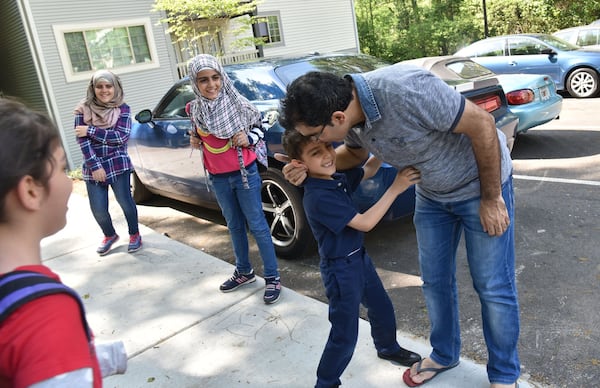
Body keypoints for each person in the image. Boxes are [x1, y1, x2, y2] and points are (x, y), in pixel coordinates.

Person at [277, 67, 520, 388]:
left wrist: (491, 198)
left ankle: (504, 375)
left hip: (480, 188)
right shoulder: (346, 117)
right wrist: (308, 171)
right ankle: (445, 353)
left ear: (337, 118)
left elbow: (483, 125)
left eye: (316, 135)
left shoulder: (406, 91)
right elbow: (354, 153)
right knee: (434, 282)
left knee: (492, 287)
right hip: (432, 195)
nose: (317, 141)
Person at [0, 97, 127, 387]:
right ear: (30, 190)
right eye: (60, 167)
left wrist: (84, 357)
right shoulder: (43, 314)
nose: (69, 181)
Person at [282, 129, 422, 387]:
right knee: (344, 335)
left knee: (381, 308)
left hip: (359, 259)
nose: (327, 155)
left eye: (327, 147)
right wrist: (396, 188)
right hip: (340, 270)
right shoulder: (318, 196)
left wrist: (381, 151)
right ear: (299, 164)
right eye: (316, 153)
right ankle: (326, 382)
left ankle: (387, 347)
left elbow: (367, 170)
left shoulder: (333, 178)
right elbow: (365, 223)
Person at [186, 54, 281, 304]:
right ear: (194, 83)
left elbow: (262, 125)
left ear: (222, 77)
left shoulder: (239, 105)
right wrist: (195, 140)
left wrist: (249, 138)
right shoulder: (196, 109)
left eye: (215, 77)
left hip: (244, 175)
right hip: (218, 178)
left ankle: (272, 277)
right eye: (203, 80)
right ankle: (244, 271)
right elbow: (199, 135)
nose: (211, 84)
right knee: (234, 225)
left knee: (258, 225)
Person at [74, 70, 142, 256]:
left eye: (108, 86)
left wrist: (91, 131)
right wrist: (95, 166)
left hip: (117, 162)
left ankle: (134, 234)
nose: (104, 90)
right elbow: (82, 140)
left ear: (115, 87)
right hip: (92, 165)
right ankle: (110, 235)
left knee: (125, 202)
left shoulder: (123, 109)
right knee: (98, 209)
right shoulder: (82, 109)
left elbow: (121, 137)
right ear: (93, 88)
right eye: (99, 86)